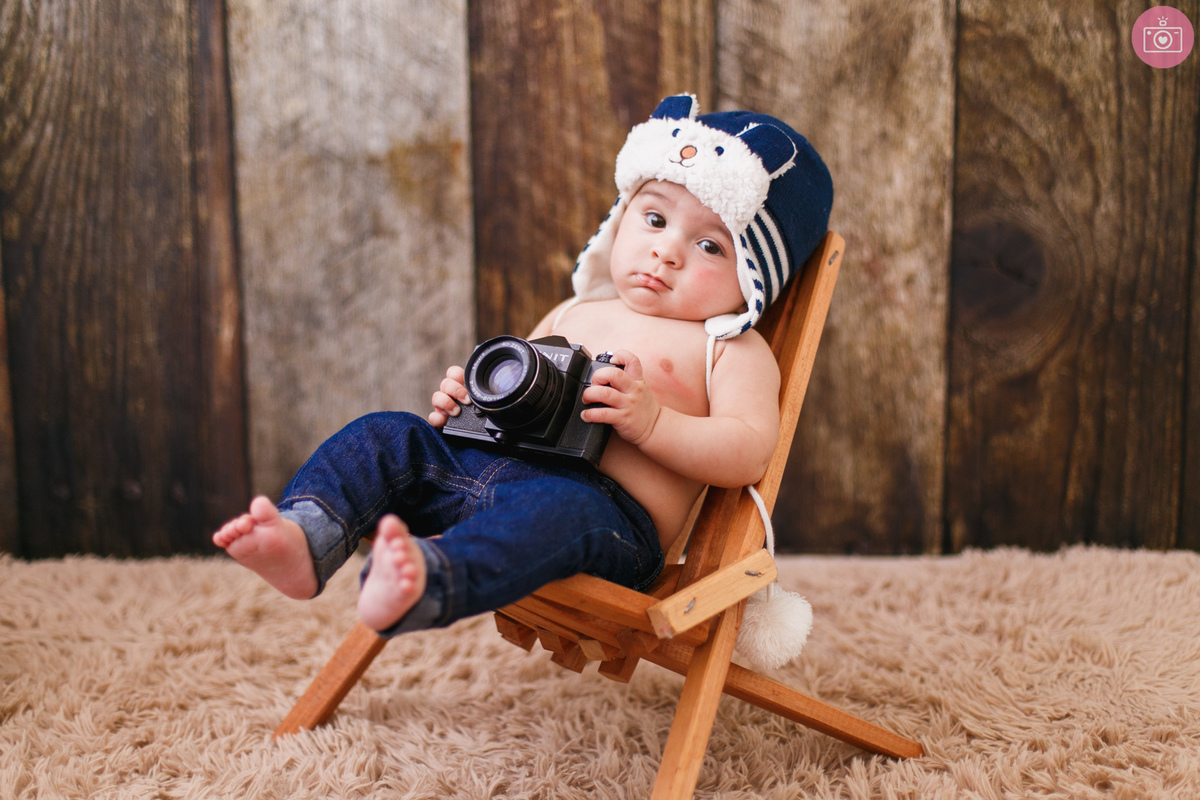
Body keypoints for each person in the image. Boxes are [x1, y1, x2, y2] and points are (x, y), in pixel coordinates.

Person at [213, 94, 833, 637]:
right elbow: (513, 393)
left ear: (754, 278)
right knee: (386, 434)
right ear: (621, 220)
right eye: (653, 218)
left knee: (553, 512)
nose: (665, 251)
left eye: (709, 246)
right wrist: (467, 404)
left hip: (602, 519)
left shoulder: (726, 347)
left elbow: (750, 451)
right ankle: (307, 537)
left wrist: (652, 423)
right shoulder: (575, 310)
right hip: (482, 470)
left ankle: (433, 580)